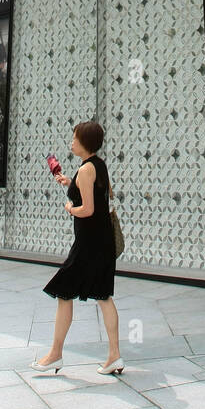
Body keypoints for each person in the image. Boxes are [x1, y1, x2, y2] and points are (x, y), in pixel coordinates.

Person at [33, 120, 122, 375]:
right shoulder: (98, 166)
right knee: (104, 296)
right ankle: (115, 355)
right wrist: (67, 182)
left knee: (63, 292)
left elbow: (88, 209)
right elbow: (92, 192)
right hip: (102, 242)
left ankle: (55, 355)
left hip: (88, 244)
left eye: (74, 138)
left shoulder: (86, 170)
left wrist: (70, 208)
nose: (71, 142)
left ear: (84, 142)